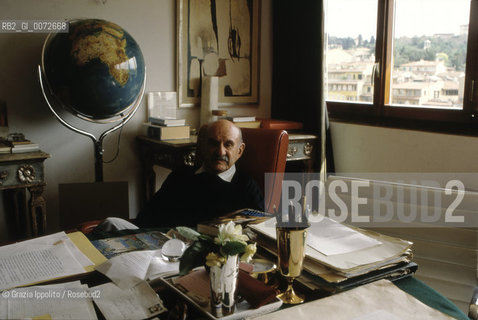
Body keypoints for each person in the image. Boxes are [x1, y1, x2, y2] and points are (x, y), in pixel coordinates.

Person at [96, 120, 264, 231]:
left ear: (239, 151)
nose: (220, 151)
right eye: (213, 143)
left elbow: (256, 233)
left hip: (198, 258)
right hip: (155, 242)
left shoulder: (246, 186)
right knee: (110, 224)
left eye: (228, 144)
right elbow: (146, 217)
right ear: (204, 146)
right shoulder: (181, 175)